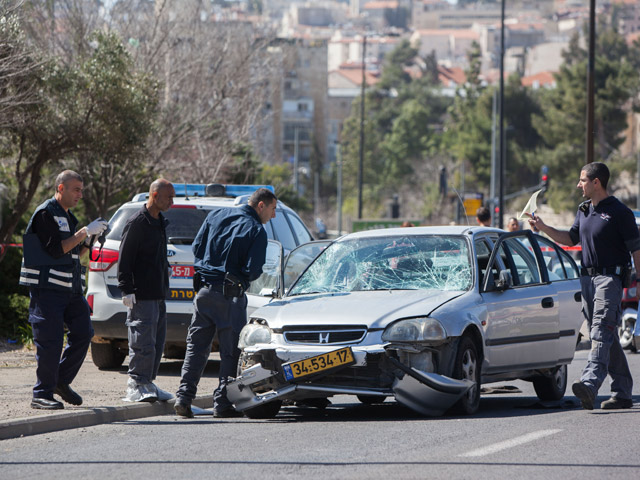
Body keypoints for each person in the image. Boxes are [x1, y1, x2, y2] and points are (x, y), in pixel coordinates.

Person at [529, 162, 640, 410]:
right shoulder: (584, 209)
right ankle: (623, 393)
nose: (579, 184)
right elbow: (570, 238)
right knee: (606, 333)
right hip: (587, 280)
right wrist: (543, 227)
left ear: (596, 182)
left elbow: (636, 250)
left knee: (601, 330)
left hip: (609, 280)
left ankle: (590, 383)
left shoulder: (620, 213)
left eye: (582, 180)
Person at [174, 188, 277, 418]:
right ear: (261, 206)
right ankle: (222, 404)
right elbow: (253, 270)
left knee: (196, 348)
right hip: (230, 297)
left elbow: (197, 248)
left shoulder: (216, 215)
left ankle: (183, 398)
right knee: (231, 353)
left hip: (204, 293)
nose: (274, 215)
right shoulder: (256, 230)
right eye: (273, 209)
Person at [19, 170, 108, 409]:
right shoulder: (45, 213)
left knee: (83, 333)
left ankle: (60, 381)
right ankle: (41, 393)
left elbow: (72, 254)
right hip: (47, 290)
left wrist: (89, 241)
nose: (80, 194)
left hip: (70, 290)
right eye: (75, 189)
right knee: (51, 341)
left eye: (81, 189)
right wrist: (83, 233)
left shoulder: (68, 217)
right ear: (61, 189)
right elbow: (55, 250)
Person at [118, 179, 175, 402]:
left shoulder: (159, 221)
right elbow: (125, 259)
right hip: (141, 294)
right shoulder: (137, 223)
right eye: (168, 196)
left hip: (158, 293)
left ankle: (148, 382)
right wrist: (126, 289)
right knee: (142, 341)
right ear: (154, 195)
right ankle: (136, 385)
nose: (172, 201)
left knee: (157, 342)